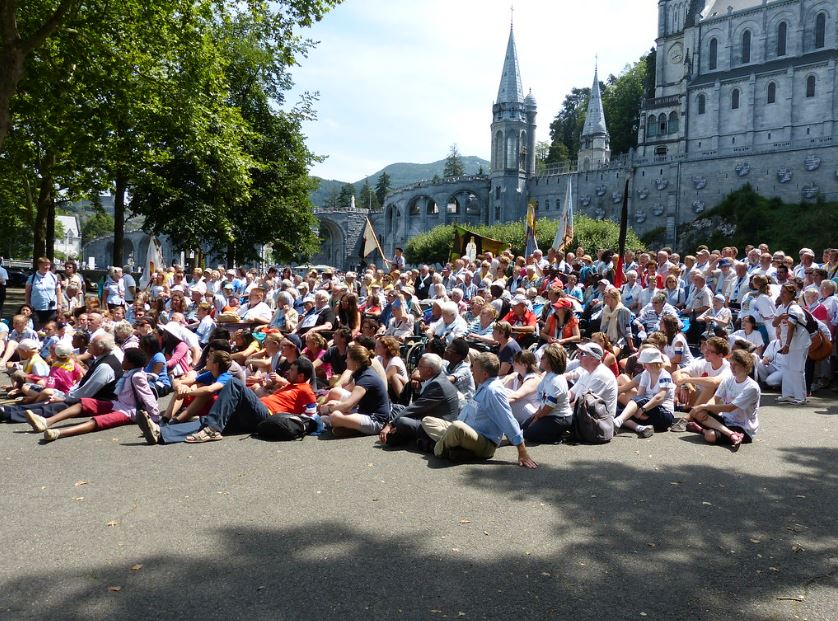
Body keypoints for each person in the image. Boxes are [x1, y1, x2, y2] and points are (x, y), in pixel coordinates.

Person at [146, 358, 319, 445]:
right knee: (210, 421)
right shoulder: (290, 385)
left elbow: (312, 416)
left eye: (293, 370)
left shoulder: (305, 389)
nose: (288, 371)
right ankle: (162, 433)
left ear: (302, 375)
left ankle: (212, 430)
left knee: (233, 383)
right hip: (256, 415)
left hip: (267, 415)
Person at [419, 352, 537, 468]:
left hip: (484, 443)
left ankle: (436, 449)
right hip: (467, 433)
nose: (471, 371)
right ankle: (455, 447)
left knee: (457, 427)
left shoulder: (493, 391)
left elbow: (508, 420)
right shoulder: (484, 385)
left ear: (485, 373)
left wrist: (522, 451)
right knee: (427, 420)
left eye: (474, 369)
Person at [24, 347, 158, 443]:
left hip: (130, 411)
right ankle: (46, 422)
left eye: (124, 359)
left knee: (99, 421)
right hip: (118, 404)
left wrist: (154, 419)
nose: (122, 361)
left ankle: (59, 433)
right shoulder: (129, 372)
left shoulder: (137, 376)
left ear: (131, 363)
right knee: (85, 403)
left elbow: (148, 398)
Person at [0, 333, 123, 424]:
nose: (88, 345)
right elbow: (82, 383)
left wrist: (65, 398)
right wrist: (67, 395)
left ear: (100, 349)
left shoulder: (106, 366)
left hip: (100, 402)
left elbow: (87, 391)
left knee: (55, 407)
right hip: (84, 396)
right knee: (48, 402)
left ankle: (9, 415)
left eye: (91, 344)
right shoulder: (101, 360)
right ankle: (8, 410)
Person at [379, 353, 460, 446]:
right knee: (399, 409)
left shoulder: (437, 385)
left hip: (437, 426)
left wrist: (391, 424)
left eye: (420, 366)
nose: (417, 368)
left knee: (402, 422)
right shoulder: (436, 378)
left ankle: (415, 439)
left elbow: (415, 408)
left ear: (429, 371)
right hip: (429, 417)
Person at [686, 350, 759, 451]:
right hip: (725, 420)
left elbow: (730, 408)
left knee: (710, 436)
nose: (732, 367)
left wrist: (705, 407)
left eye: (736, 365)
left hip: (743, 428)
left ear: (745, 367)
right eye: (731, 364)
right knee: (699, 412)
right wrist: (705, 410)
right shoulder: (728, 379)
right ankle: (731, 434)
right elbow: (715, 398)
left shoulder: (751, 387)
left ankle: (701, 430)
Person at [318, 343, 390, 436]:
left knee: (335, 416)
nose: (345, 360)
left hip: (376, 421)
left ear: (356, 362)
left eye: (348, 358)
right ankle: (348, 426)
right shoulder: (361, 371)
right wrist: (336, 405)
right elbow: (353, 402)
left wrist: (329, 409)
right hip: (364, 410)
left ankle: (352, 428)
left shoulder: (366, 378)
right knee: (335, 403)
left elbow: (348, 405)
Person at [614, 347, 675, 438]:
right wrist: (636, 411)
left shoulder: (665, 375)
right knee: (617, 409)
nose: (643, 365)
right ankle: (640, 428)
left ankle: (618, 421)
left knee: (633, 405)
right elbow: (640, 395)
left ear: (652, 363)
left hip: (664, 415)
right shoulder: (646, 374)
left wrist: (642, 410)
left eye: (644, 363)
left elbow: (659, 397)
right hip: (648, 412)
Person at [521, 344, 573, 443]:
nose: (540, 358)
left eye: (544, 357)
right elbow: (543, 401)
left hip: (560, 418)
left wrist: (537, 418)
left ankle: (559, 436)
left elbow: (549, 407)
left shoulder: (556, 380)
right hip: (548, 414)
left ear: (551, 361)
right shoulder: (548, 375)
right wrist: (536, 415)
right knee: (522, 427)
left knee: (528, 434)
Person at [164, 350, 233, 423]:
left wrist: (188, 392)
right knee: (182, 388)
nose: (206, 360)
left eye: (209, 359)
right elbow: (179, 381)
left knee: (205, 393)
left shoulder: (226, 376)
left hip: (220, 409)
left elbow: (210, 389)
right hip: (208, 406)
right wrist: (179, 387)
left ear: (216, 365)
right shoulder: (210, 374)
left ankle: (177, 421)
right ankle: (165, 419)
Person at [773, 282, 811, 404]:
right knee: (786, 368)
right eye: (781, 292)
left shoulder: (794, 308)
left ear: (792, 294)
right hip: (787, 343)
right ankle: (788, 394)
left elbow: (791, 328)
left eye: (785, 292)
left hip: (799, 342)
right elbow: (774, 323)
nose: (781, 294)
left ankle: (801, 397)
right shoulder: (781, 307)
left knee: (796, 369)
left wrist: (787, 345)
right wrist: (780, 318)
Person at [567, 341, 618, 419]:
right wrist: (559, 402)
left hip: (598, 422)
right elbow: (572, 393)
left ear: (593, 359)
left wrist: (561, 409)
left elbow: (582, 403)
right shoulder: (587, 371)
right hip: (584, 413)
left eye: (582, 353)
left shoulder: (601, 376)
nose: (578, 355)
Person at [503, 350, 541, 426]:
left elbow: (516, 396)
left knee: (507, 393)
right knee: (503, 390)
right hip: (522, 413)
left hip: (531, 417)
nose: (513, 364)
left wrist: (495, 401)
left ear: (525, 365)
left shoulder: (533, 379)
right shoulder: (517, 375)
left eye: (516, 362)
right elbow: (501, 384)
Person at [25, 257, 62, 328]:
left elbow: (58, 291)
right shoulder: (31, 278)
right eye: (45, 265)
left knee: (50, 328)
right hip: (36, 308)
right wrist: (27, 305)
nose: (47, 267)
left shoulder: (54, 277)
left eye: (48, 265)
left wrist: (59, 304)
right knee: (37, 329)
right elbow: (27, 293)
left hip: (51, 309)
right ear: (39, 265)